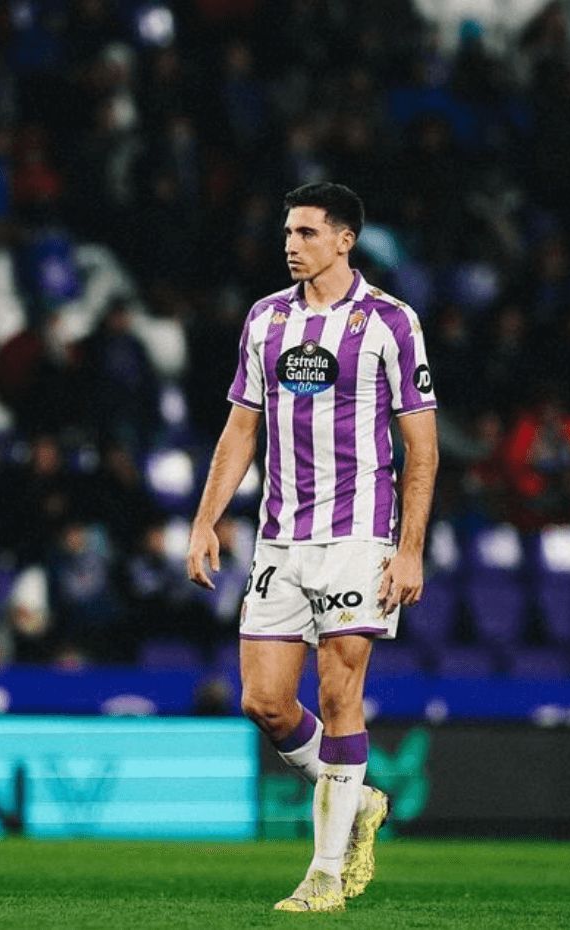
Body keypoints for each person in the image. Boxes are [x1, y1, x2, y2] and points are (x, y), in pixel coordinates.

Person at [186, 181, 439, 912]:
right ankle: (355, 801)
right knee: (264, 702)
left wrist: (410, 547)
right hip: (279, 538)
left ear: (343, 239)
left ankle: (325, 874)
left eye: (303, 232)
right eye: (287, 233)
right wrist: (206, 519)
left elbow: (419, 446)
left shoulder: (391, 322)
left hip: (359, 533)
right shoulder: (265, 320)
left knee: (339, 690)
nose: (289, 244)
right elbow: (241, 428)